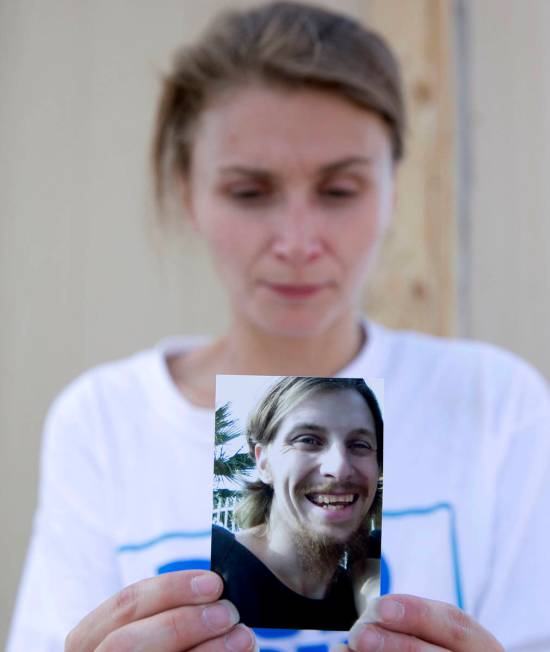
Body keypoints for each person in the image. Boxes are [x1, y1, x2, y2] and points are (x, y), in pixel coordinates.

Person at [7, 1, 549, 651]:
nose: (296, 241)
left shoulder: (497, 405)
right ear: (188, 191)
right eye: (250, 192)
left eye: (340, 190)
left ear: (392, 187)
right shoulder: (104, 421)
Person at [211, 376, 383, 630]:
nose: (339, 468)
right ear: (264, 462)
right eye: (308, 440)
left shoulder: (373, 588)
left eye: (360, 445)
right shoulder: (210, 563)